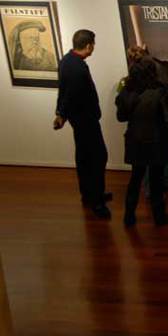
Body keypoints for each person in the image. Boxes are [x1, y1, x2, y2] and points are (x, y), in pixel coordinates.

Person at [53, 29, 112, 219]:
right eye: (93, 44)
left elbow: (63, 90)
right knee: (97, 157)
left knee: (84, 157)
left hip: (78, 119)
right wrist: (61, 113)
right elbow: (70, 93)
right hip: (85, 119)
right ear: (88, 46)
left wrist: (60, 113)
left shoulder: (66, 61)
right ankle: (97, 201)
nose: (93, 47)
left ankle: (88, 194)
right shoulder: (77, 68)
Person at [115, 58, 168, 227]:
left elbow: (121, 117)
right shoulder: (158, 91)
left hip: (135, 140)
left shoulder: (126, 91)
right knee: (156, 180)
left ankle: (129, 216)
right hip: (156, 141)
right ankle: (159, 216)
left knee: (135, 178)